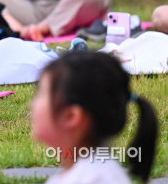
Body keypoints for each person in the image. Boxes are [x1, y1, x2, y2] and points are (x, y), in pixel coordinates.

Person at [32, 51, 157, 183]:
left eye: (41, 93)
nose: (32, 104)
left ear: (71, 117)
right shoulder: (83, 173)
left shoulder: (96, 178)